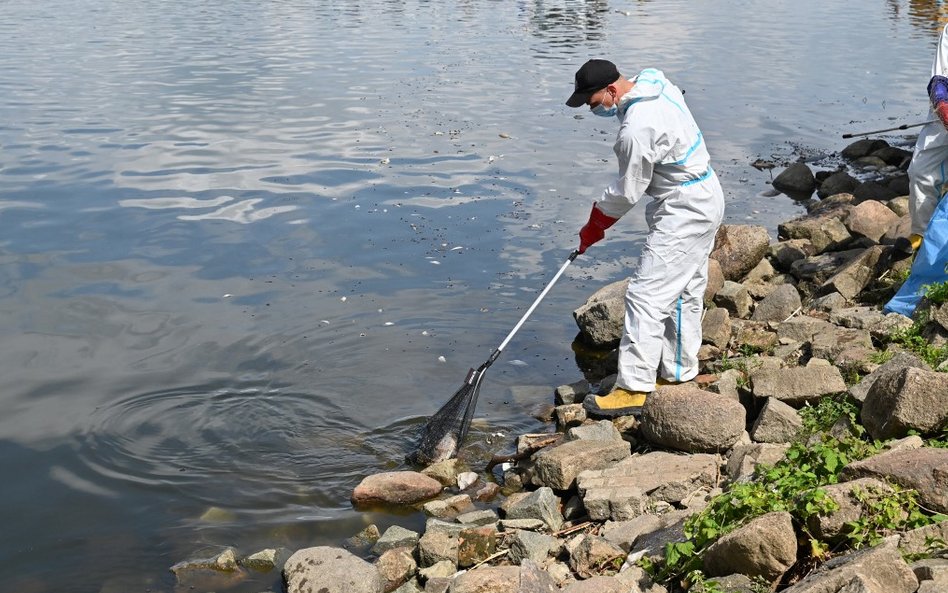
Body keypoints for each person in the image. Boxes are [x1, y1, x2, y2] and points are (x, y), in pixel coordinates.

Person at [566, 59, 725, 418]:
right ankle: (678, 372)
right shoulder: (653, 82)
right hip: (706, 192)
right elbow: (652, 75)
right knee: (685, 291)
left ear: (611, 91)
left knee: (645, 295)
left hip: (684, 209)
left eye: (593, 103)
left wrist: (593, 227)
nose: (594, 110)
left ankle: (634, 387)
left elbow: (626, 193)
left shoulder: (636, 129)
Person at [902, 22, 948, 255]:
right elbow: (938, 80)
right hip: (943, 116)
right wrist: (943, 107)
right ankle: (921, 233)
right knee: (920, 171)